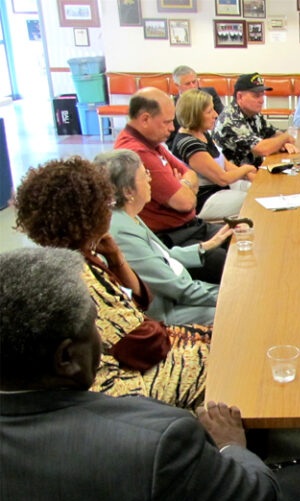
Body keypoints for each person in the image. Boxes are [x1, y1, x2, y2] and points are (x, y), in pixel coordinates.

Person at [0, 246, 300, 501]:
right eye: (94, 326)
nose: (101, 337)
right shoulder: (158, 438)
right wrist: (232, 448)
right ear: (66, 358)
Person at [14, 157, 209, 409]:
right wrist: (180, 336)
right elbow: (143, 346)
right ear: (91, 214)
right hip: (117, 387)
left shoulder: (73, 255)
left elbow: (140, 301)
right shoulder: (78, 273)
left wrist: (117, 260)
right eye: (105, 204)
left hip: (126, 357)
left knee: (211, 336)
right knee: (215, 358)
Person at [95, 149, 227, 326]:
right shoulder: (121, 232)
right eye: (144, 175)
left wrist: (207, 245)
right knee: (235, 311)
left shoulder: (129, 215)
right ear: (128, 191)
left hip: (179, 295)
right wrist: (228, 294)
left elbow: (166, 256)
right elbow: (176, 288)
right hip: (166, 312)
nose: (150, 179)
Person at [114, 87, 228, 285]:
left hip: (191, 226)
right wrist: (185, 186)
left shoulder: (152, 143)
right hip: (174, 237)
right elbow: (184, 202)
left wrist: (181, 183)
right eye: (167, 122)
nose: (172, 128)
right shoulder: (136, 153)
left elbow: (189, 174)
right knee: (229, 263)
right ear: (145, 119)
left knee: (243, 236)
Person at [172, 89, 257, 220]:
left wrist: (248, 176)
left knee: (260, 189)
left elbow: (225, 164)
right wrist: (246, 169)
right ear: (195, 115)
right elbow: (222, 179)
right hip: (205, 199)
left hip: (219, 189)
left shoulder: (202, 132)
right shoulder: (188, 144)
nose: (216, 114)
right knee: (254, 200)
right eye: (209, 111)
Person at [212, 72, 298, 168]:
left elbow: (272, 133)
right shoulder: (231, 119)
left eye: (262, 95)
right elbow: (262, 149)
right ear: (240, 97)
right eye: (256, 96)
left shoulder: (253, 113)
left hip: (253, 171)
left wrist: (284, 143)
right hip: (236, 177)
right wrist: (285, 138)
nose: (262, 100)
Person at [166, 64, 224, 147]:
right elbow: (171, 140)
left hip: (215, 140)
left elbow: (222, 117)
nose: (193, 86)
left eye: (194, 82)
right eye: (187, 84)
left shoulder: (210, 93)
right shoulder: (172, 107)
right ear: (177, 85)